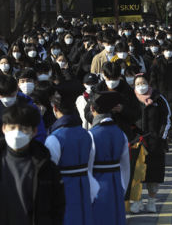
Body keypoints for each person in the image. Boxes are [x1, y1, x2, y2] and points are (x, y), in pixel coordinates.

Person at [0, 103, 65, 225]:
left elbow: (57, 207)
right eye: (12, 127)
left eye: (24, 129)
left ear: (34, 131)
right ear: (4, 128)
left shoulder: (47, 167)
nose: (17, 133)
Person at [45, 85, 99, 225]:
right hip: (84, 185)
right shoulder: (86, 134)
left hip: (64, 188)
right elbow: (90, 164)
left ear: (55, 108)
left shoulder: (54, 138)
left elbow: (49, 169)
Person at [130, 73, 171, 213]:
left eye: (143, 83)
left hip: (155, 144)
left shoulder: (159, 99)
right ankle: (136, 201)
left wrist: (161, 137)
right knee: (136, 175)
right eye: (138, 84)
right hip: (136, 144)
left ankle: (151, 201)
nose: (141, 86)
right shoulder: (130, 100)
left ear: (149, 83)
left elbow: (167, 119)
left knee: (153, 175)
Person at [88, 91, 130, 225]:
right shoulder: (121, 133)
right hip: (117, 183)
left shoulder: (91, 135)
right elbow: (126, 166)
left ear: (92, 109)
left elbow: (88, 167)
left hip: (97, 185)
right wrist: (123, 187)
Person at [85, 62, 139, 141]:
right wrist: (99, 112)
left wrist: (123, 109)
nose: (112, 82)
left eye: (115, 79)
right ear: (104, 75)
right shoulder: (97, 90)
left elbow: (137, 114)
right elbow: (87, 113)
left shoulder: (127, 90)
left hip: (123, 134)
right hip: (101, 134)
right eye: (109, 79)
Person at [150, 45, 172, 140]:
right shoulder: (157, 63)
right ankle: (161, 133)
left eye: (170, 50)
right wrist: (155, 91)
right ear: (162, 51)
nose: (168, 52)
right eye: (166, 50)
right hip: (159, 92)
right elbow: (153, 78)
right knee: (160, 113)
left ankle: (170, 131)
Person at [0, 75, 46, 143]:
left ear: (17, 89)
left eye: (11, 95)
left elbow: (40, 134)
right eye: (3, 96)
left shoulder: (30, 107)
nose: (7, 99)